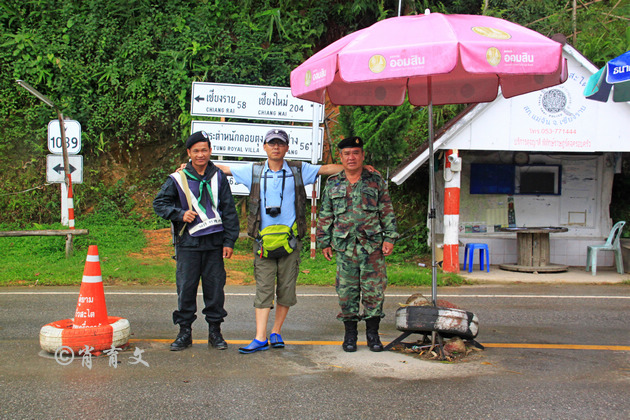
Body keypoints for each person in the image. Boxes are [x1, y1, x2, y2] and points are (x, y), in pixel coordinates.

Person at [217, 128, 346, 354]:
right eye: (272, 143)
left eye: (280, 143)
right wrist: (190, 167)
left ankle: (276, 331)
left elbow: (326, 169)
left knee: (286, 290)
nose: (276, 147)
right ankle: (260, 337)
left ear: (287, 147)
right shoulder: (254, 171)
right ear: (264, 147)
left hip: (290, 242)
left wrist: (357, 167)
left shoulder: (298, 170)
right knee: (263, 289)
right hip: (263, 243)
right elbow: (223, 168)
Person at [153, 131, 239, 351]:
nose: (200, 155)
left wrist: (229, 241)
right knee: (186, 288)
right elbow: (159, 204)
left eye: (204, 150)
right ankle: (184, 333)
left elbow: (229, 210)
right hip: (187, 244)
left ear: (210, 151)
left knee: (215, 290)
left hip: (214, 244)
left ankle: (215, 332)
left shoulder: (218, 177)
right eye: (196, 151)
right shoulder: (178, 178)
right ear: (189, 153)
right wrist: (179, 214)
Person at [316, 136, 399, 353]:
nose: (351, 157)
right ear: (341, 157)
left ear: (362, 156)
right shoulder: (333, 183)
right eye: (346, 154)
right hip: (345, 248)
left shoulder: (376, 181)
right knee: (346, 292)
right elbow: (326, 214)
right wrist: (324, 241)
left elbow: (386, 210)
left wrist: (390, 237)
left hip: (372, 246)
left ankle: (372, 335)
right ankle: (350, 335)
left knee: (374, 292)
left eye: (355, 153)